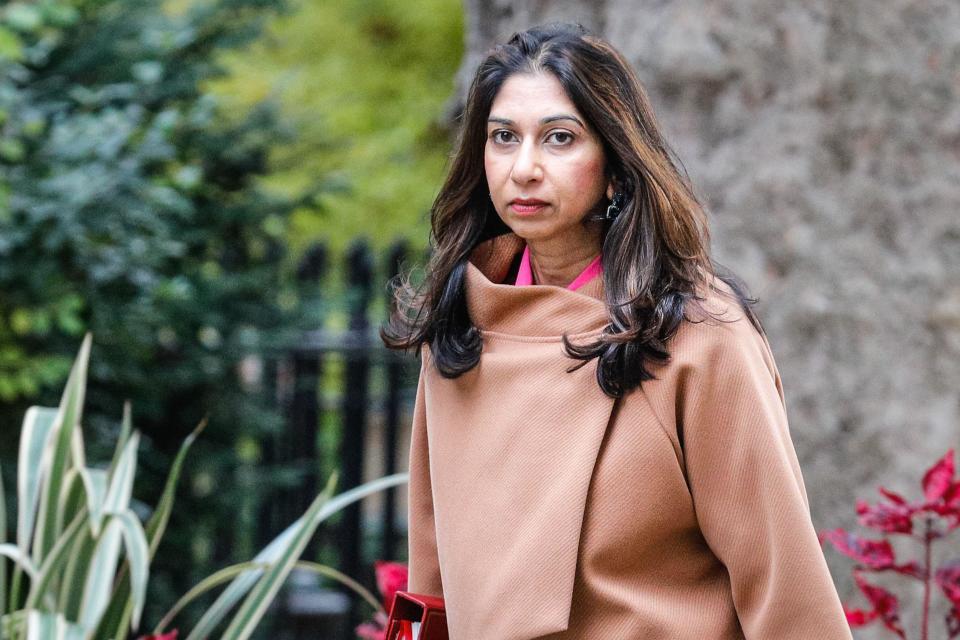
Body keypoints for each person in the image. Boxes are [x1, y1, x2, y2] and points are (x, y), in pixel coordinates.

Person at [380, 22, 852, 640]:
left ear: (614, 165)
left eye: (559, 139)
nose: (524, 167)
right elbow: (432, 586)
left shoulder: (697, 334)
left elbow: (781, 579)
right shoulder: (461, 323)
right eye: (503, 138)